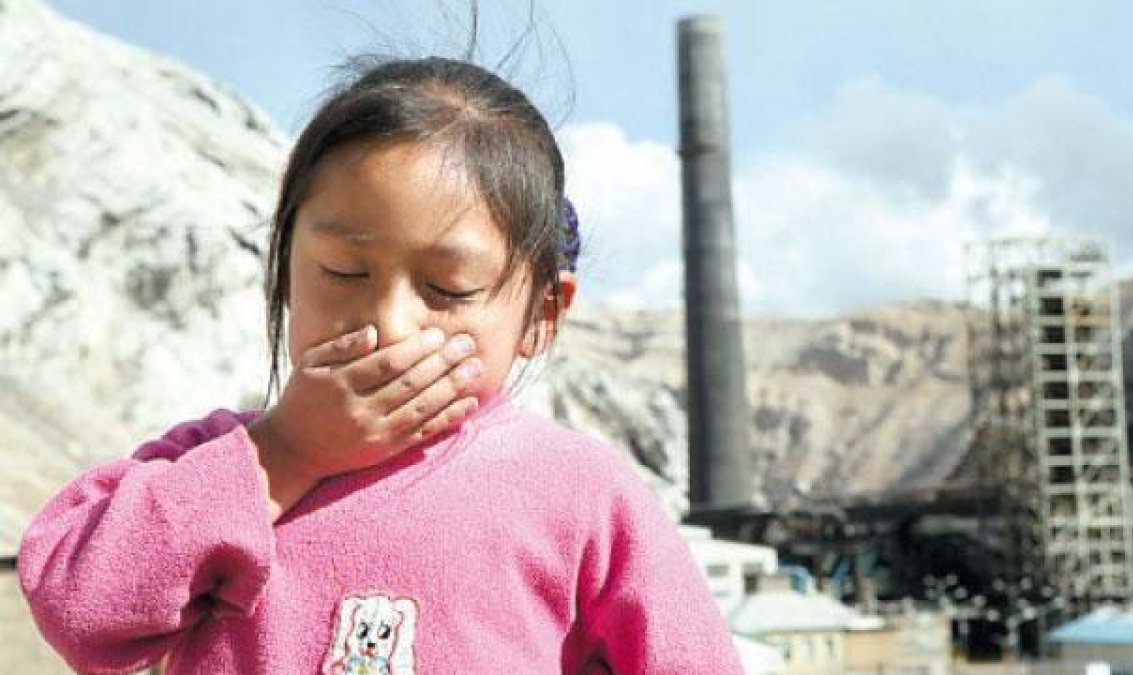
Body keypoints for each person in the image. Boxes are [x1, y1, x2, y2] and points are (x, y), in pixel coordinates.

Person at [19, 56, 744, 674]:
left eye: (448, 289)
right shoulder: (214, 462)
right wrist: (285, 453)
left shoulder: (586, 494)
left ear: (542, 315)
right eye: (342, 269)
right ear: (283, 273)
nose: (389, 322)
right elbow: (76, 606)